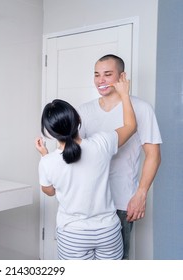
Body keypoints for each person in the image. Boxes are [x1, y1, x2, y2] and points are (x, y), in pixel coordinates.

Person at [35, 73, 136, 260]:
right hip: (108, 231)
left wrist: (44, 156)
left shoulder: (47, 163)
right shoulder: (102, 143)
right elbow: (130, 126)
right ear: (78, 120)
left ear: (49, 133)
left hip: (73, 234)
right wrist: (124, 94)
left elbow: (49, 191)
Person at [77, 54, 162, 259]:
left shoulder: (141, 108)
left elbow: (153, 155)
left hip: (122, 201)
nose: (101, 80)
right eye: (97, 75)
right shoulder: (84, 110)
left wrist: (141, 194)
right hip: (88, 201)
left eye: (108, 74)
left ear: (122, 77)